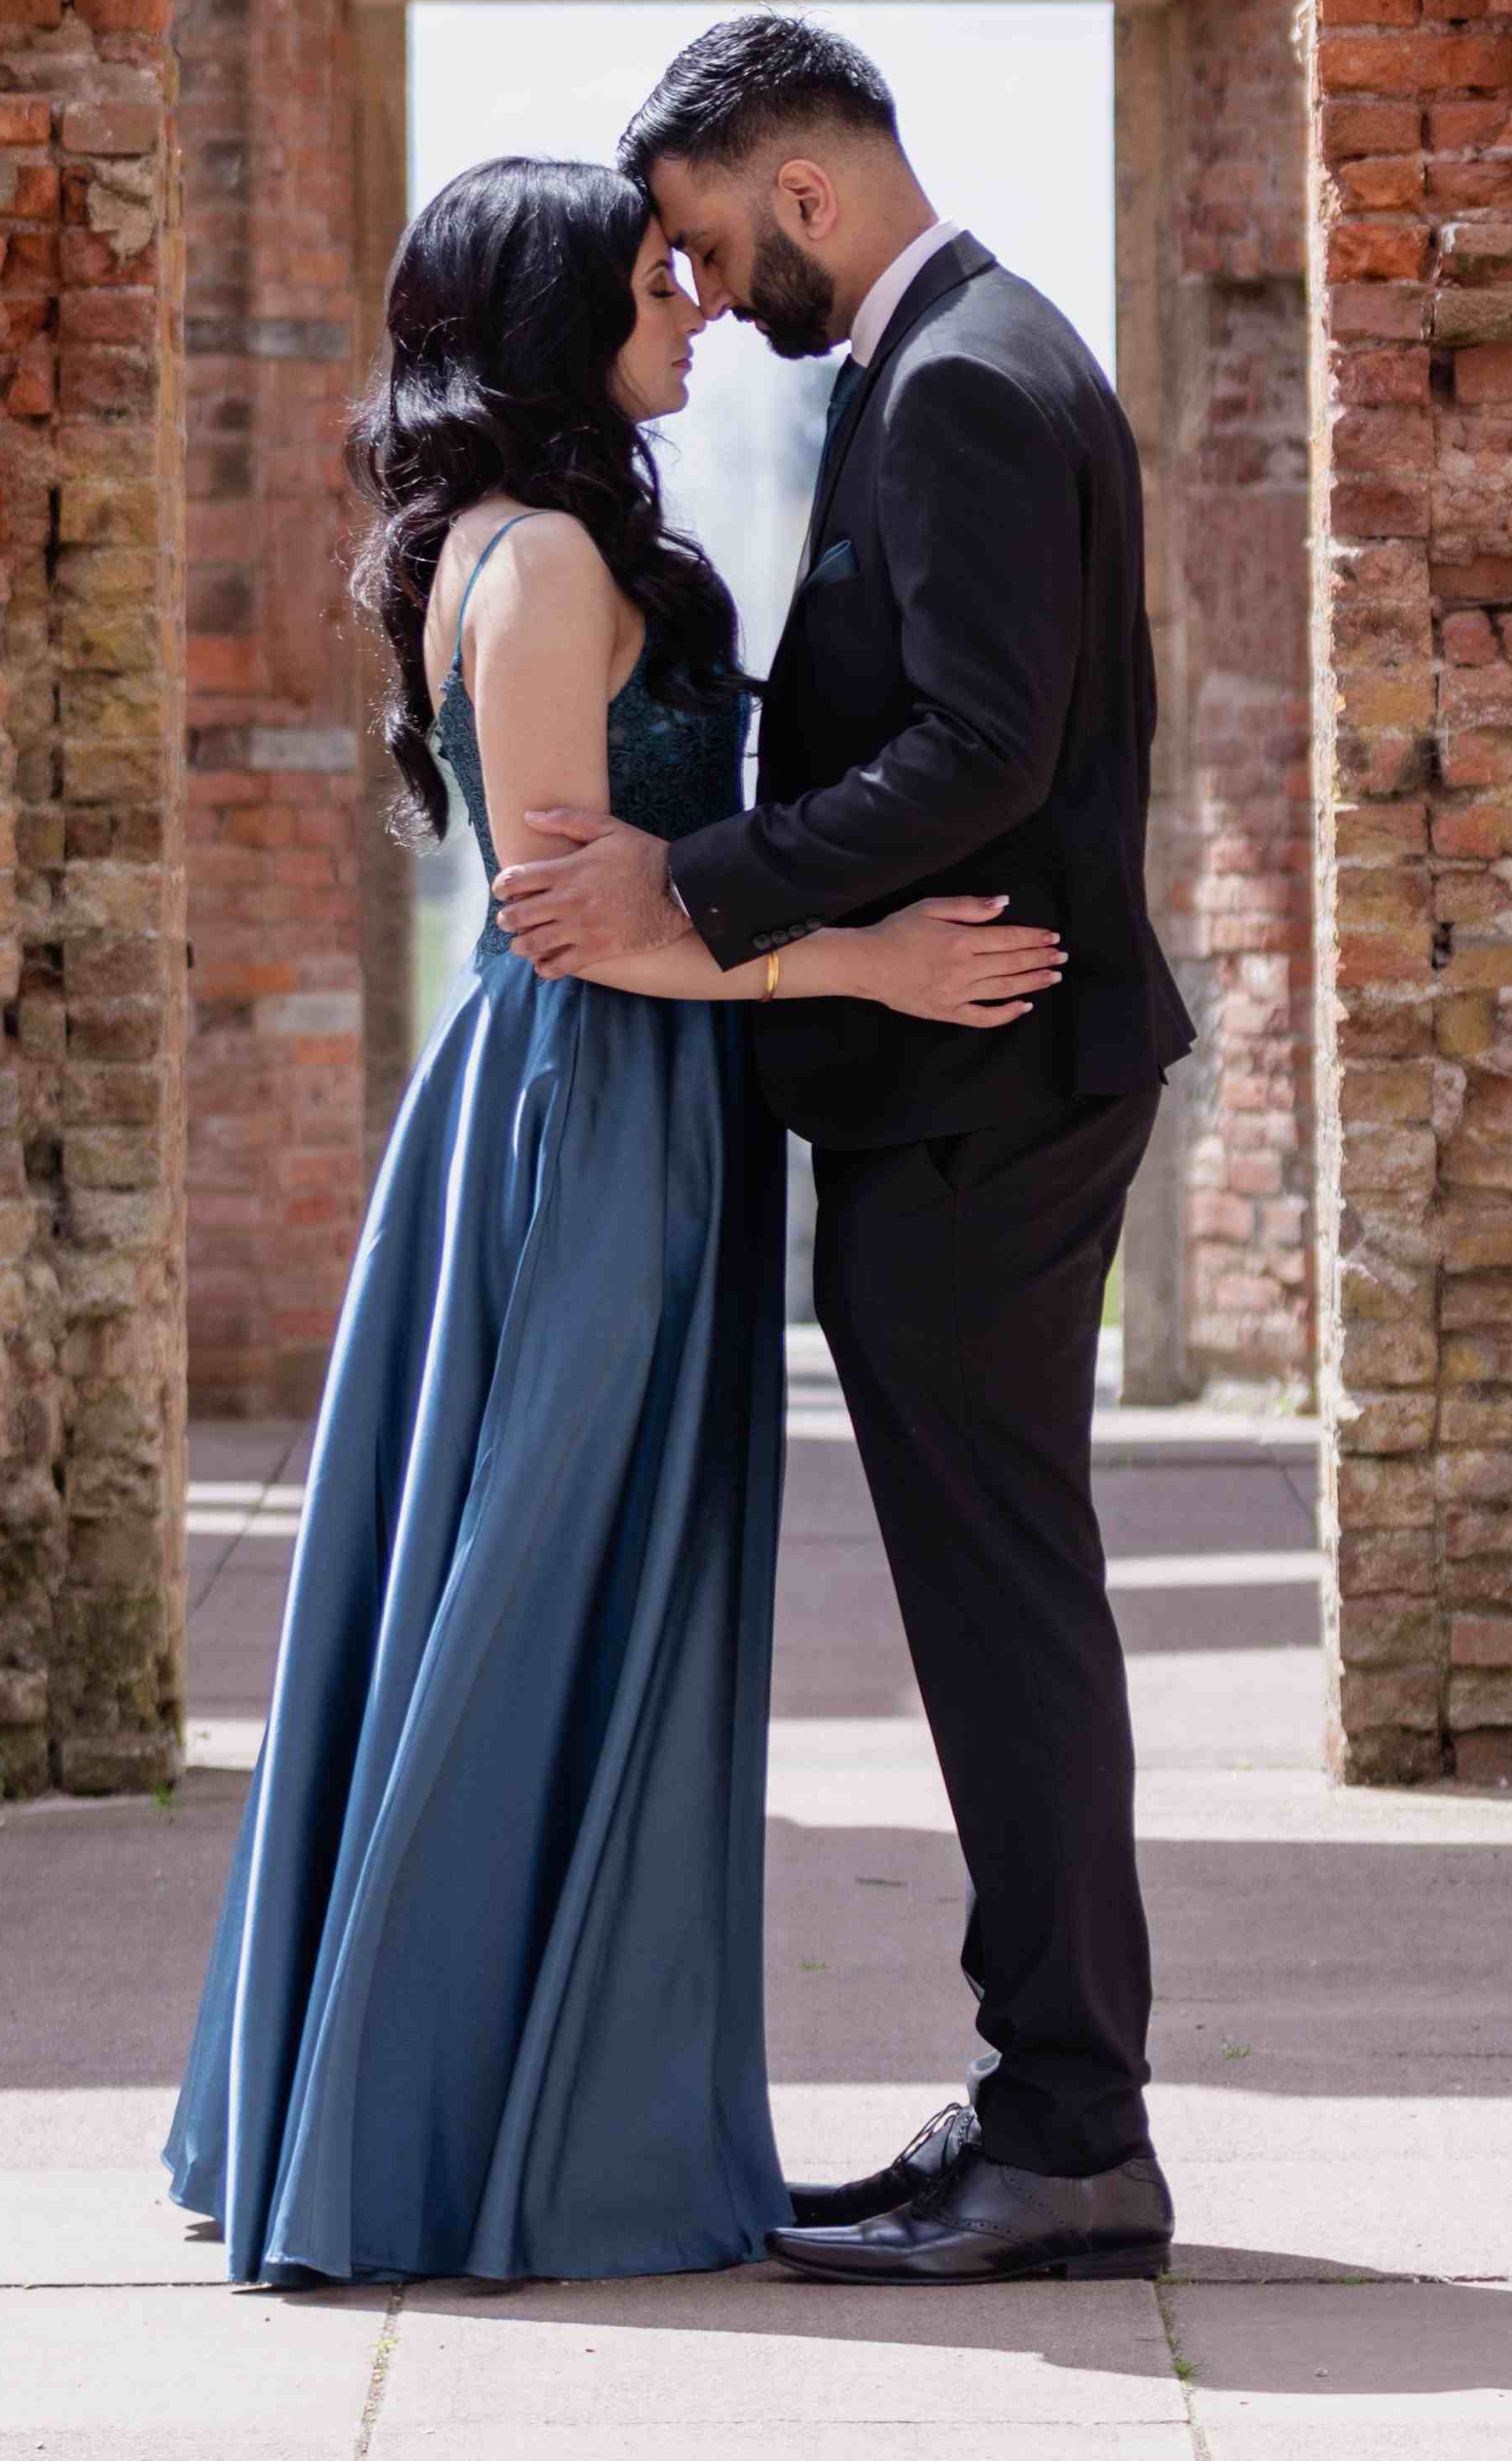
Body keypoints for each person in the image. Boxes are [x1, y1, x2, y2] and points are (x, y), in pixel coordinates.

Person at [161, 152, 1071, 2287]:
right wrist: (869, 963)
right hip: (590, 1109)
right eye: (654, 280)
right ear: (555, 315)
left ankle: (481, 2107)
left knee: (561, 1593)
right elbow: (569, 932)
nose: (694, 304)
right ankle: (450, 2135)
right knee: (537, 1598)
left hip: (635, 1101)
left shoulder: (529, 537)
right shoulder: (550, 561)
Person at [493, 15, 1196, 2287]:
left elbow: (984, 751)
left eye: (706, 241)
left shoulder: (974, 374)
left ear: (798, 190)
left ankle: (1076, 2127)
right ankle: (1039, 2099)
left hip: (992, 1084)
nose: (704, 294)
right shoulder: (963, 358)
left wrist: (692, 894)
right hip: (969, 1086)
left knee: (1005, 1614)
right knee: (1004, 1604)